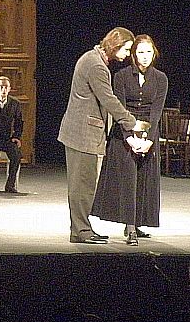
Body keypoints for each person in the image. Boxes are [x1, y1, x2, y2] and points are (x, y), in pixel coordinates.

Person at [58, 27, 139, 245]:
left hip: (79, 133)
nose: (127, 55)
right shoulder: (96, 65)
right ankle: (81, 231)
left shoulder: (92, 59)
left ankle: (80, 229)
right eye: (126, 49)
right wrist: (131, 121)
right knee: (82, 186)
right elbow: (108, 99)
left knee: (81, 185)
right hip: (83, 134)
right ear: (115, 45)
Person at [91, 34, 168, 246]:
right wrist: (129, 138)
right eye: (140, 52)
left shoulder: (160, 78)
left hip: (148, 134)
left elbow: (156, 112)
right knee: (128, 180)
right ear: (133, 54)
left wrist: (149, 140)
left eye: (148, 52)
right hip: (125, 133)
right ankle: (130, 227)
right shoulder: (122, 76)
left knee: (144, 180)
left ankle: (137, 223)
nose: (145, 56)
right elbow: (120, 108)